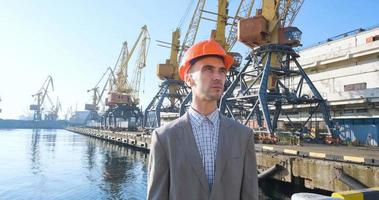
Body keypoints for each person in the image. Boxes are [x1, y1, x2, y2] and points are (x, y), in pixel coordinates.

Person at [147, 39, 258, 200]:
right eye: (208, 69)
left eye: (222, 71)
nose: (218, 77)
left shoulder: (243, 136)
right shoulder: (164, 138)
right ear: (188, 78)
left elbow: (250, 195)